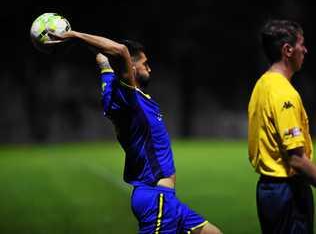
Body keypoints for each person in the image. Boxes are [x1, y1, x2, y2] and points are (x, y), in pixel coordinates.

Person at [47, 30, 222, 234]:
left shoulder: (116, 89)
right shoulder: (128, 99)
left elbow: (104, 58)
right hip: (157, 199)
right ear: (130, 66)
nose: (149, 67)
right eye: (144, 63)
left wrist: (81, 45)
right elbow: (120, 51)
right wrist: (74, 35)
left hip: (167, 200)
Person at [248, 19, 316, 234]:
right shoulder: (284, 93)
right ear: (287, 50)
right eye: (301, 44)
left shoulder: (262, 85)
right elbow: (296, 159)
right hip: (287, 191)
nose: (305, 50)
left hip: (268, 191)